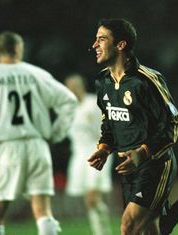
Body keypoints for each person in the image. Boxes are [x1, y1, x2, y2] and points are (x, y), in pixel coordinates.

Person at [87, 18, 178, 235]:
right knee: (152, 231)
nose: (94, 45)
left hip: (155, 164)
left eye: (101, 39)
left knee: (129, 227)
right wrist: (104, 148)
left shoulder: (147, 81)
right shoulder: (102, 82)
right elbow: (109, 123)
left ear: (121, 45)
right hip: (128, 167)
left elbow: (172, 123)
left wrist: (143, 153)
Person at [0, 31, 78, 235]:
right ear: (19, 48)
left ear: (0, 49)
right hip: (37, 145)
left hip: (6, 145)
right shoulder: (37, 74)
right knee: (42, 209)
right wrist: (54, 134)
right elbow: (69, 101)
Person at [64, 73, 113, 235]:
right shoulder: (67, 109)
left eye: (74, 86)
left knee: (92, 196)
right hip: (79, 155)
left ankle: (102, 232)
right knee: (89, 200)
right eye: (69, 87)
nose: (72, 90)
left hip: (96, 151)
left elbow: (107, 129)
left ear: (81, 86)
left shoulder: (93, 104)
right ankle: (101, 229)